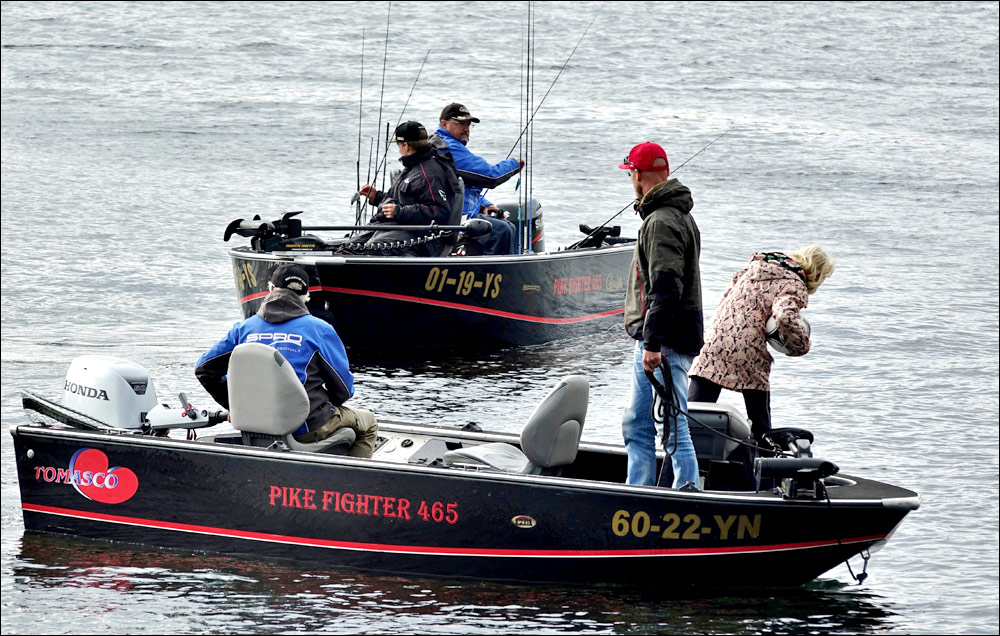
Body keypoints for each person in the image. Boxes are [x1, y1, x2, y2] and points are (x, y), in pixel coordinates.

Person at [195, 264, 378, 458]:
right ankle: (353, 483)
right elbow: (343, 391)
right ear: (306, 296)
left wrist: (236, 408)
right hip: (306, 428)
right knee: (369, 423)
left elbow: (204, 370)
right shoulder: (320, 330)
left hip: (256, 425)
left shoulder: (242, 330)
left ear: (271, 289)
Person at [620, 141, 704, 489]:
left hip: (662, 342)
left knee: (673, 424)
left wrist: (653, 343)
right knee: (638, 422)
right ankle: (637, 489)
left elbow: (666, 287)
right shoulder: (676, 215)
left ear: (638, 175)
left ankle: (689, 490)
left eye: (630, 174)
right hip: (660, 339)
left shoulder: (662, 221)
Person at [688, 246, 836, 442]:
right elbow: (784, 316)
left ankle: (680, 460)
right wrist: (801, 344)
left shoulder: (753, 269)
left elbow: (727, 295)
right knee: (760, 419)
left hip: (712, 341)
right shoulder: (794, 284)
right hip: (748, 348)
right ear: (817, 273)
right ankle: (764, 459)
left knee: (693, 412)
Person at [430, 103, 523, 255]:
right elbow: (491, 176)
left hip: (452, 209)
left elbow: (463, 184)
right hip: (453, 215)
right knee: (503, 229)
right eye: (460, 124)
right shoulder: (448, 147)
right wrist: (515, 164)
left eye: (468, 124)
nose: (466, 129)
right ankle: (500, 275)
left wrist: (484, 204)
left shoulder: (438, 143)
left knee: (505, 224)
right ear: (444, 124)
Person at [358, 120, 463, 256]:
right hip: (395, 229)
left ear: (406, 146)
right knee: (350, 246)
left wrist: (399, 212)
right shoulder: (413, 167)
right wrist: (377, 197)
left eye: (399, 146)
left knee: (375, 247)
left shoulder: (430, 174)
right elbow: (403, 202)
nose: (399, 150)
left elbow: (439, 212)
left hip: (424, 240)